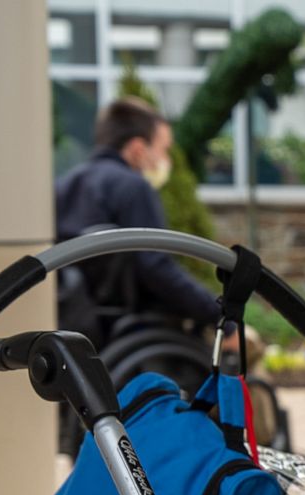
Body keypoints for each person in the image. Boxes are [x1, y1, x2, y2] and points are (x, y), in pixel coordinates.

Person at [54, 97, 226, 339]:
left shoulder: (63, 186)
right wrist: (220, 315)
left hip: (75, 324)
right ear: (137, 149)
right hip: (128, 330)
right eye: (163, 149)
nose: (166, 160)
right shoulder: (133, 187)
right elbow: (156, 267)